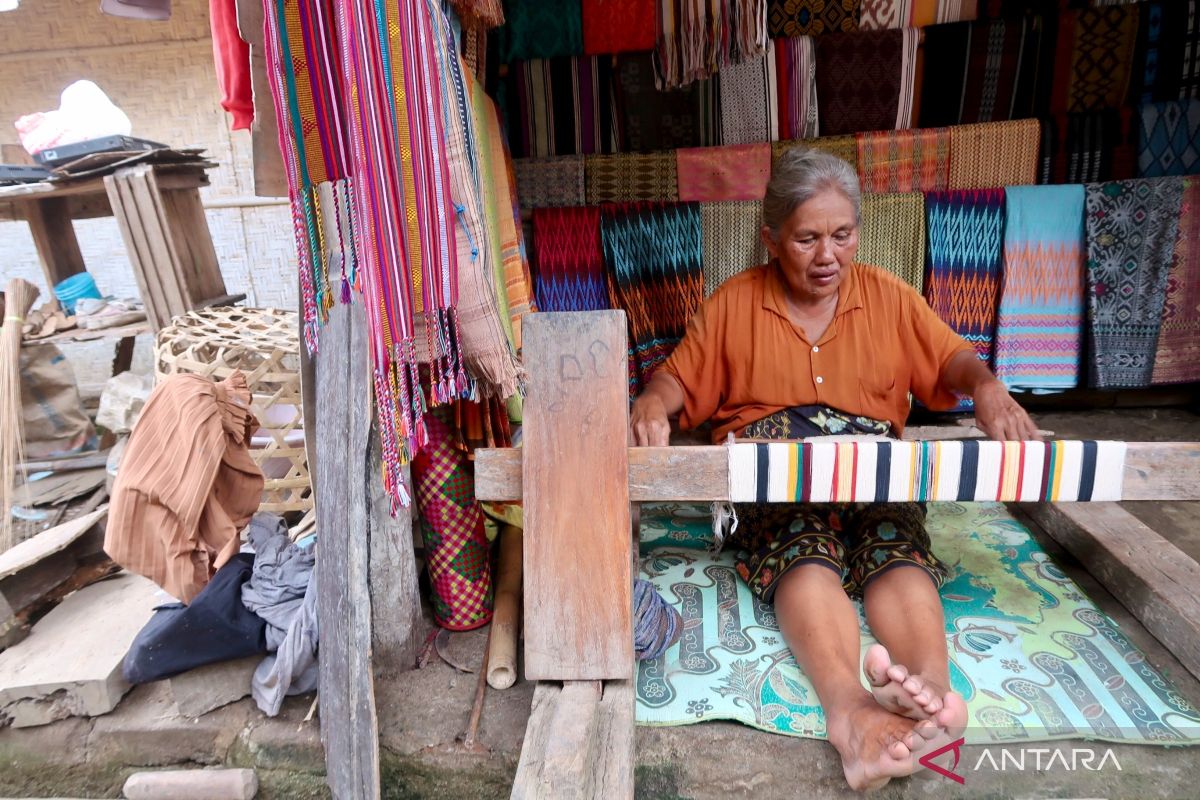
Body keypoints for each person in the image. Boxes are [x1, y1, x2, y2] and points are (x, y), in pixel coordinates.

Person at [629, 147, 1039, 791]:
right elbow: (678, 377)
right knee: (804, 552)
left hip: (872, 473)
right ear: (771, 238)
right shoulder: (735, 304)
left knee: (894, 546)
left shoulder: (888, 297)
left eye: (842, 235)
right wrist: (654, 400)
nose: (828, 256)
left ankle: (932, 694)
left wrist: (986, 386)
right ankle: (849, 714)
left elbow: (952, 359)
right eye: (807, 239)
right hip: (775, 481)